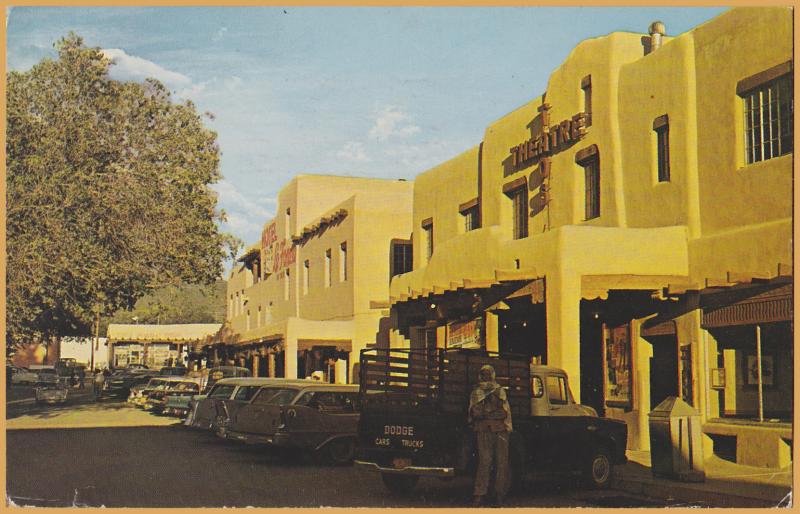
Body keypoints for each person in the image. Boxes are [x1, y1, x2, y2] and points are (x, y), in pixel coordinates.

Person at [469, 364, 513, 507]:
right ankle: (479, 494)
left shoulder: (499, 391)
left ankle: (499, 494)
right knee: (485, 462)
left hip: (500, 430)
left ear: (493, 375)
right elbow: (476, 412)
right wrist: (490, 413)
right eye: (484, 374)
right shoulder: (477, 392)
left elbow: (504, 412)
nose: (487, 376)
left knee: (502, 463)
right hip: (483, 430)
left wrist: (487, 413)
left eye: (489, 374)